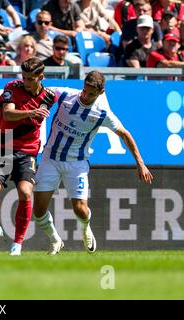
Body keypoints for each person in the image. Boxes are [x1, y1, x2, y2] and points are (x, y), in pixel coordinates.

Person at [33, 71, 153, 255]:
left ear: (100, 92)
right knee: (39, 211)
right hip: (50, 158)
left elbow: (125, 134)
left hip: (77, 163)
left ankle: (85, 228)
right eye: (84, 91)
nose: (85, 96)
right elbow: (41, 91)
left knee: (80, 209)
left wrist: (140, 163)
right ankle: (56, 240)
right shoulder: (66, 94)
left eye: (90, 94)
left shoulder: (103, 112)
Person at [0, 57, 56, 256]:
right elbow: (8, 114)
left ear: (41, 77)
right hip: (2, 144)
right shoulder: (12, 88)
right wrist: (32, 111)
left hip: (28, 149)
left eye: (30, 78)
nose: (25, 81)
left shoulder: (50, 97)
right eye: (23, 77)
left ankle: (17, 244)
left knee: (25, 192)